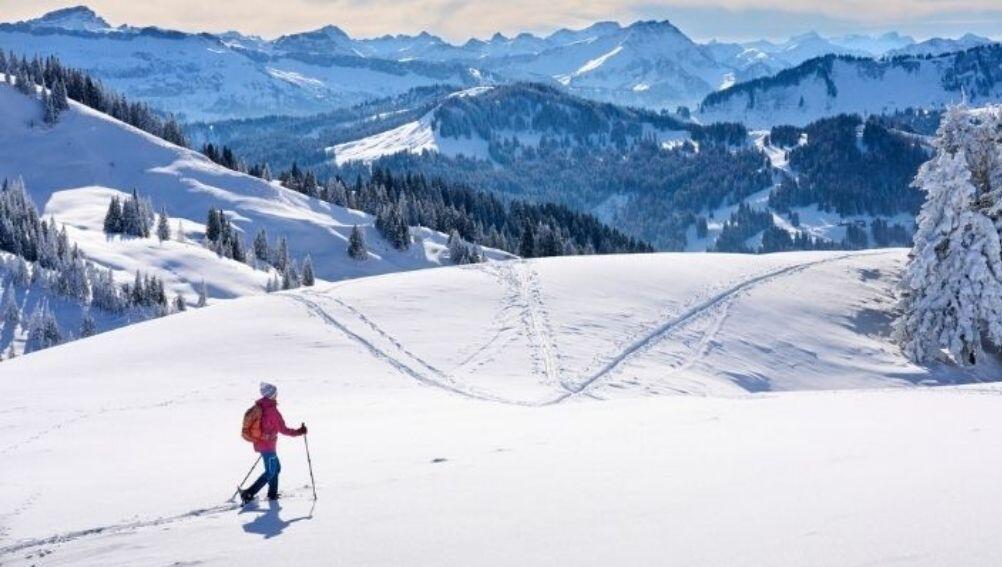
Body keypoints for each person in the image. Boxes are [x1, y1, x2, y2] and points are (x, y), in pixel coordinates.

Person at [241, 382, 307, 503]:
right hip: (267, 446)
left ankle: (272, 494)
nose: (277, 395)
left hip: (263, 444)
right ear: (271, 395)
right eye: (275, 393)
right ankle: (248, 493)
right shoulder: (272, 411)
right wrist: (300, 431)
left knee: (276, 468)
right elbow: (284, 430)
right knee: (271, 471)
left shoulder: (261, 406)